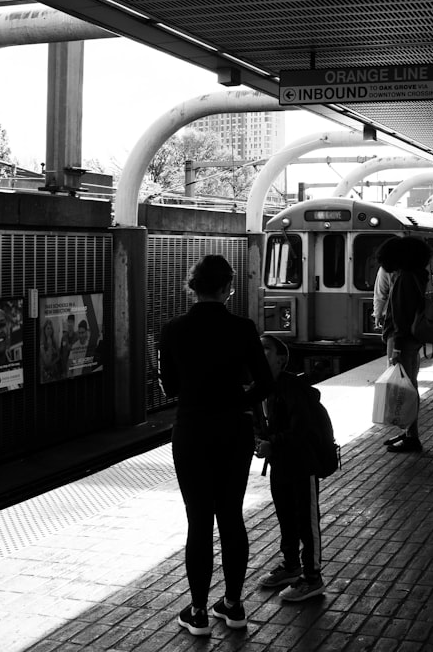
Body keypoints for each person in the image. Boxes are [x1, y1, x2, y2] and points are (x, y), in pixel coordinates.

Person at [157, 254, 275, 635]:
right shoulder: (243, 328)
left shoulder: (172, 329)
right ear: (227, 288)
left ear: (193, 287)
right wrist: (237, 401)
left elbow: (170, 387)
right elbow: (266, 383)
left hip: (191, 432)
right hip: (233, 432)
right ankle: (234, 605)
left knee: (199, 521)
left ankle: (198, 612)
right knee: (230, 516)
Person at [254, 334, 328, 603]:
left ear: (281, 359)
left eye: (265, 349)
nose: (259, 353)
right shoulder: (261, 388)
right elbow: (259, 424)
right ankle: (291, 566)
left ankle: (312, 577)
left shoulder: (292, 388)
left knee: (307, 523)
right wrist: (260, 441)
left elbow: (302, 430)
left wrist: (271, 443)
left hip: (302, 463)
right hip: (280, 466)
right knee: (286, 517)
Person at [379, 236, 432, 453]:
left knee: (405, 388)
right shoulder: (418, 275)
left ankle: (412, 437)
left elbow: (401, 316)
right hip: (411, 339)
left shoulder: (405, 279)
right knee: (409, 385)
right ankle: (408, 430)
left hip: (402, 340)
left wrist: (397, 349)